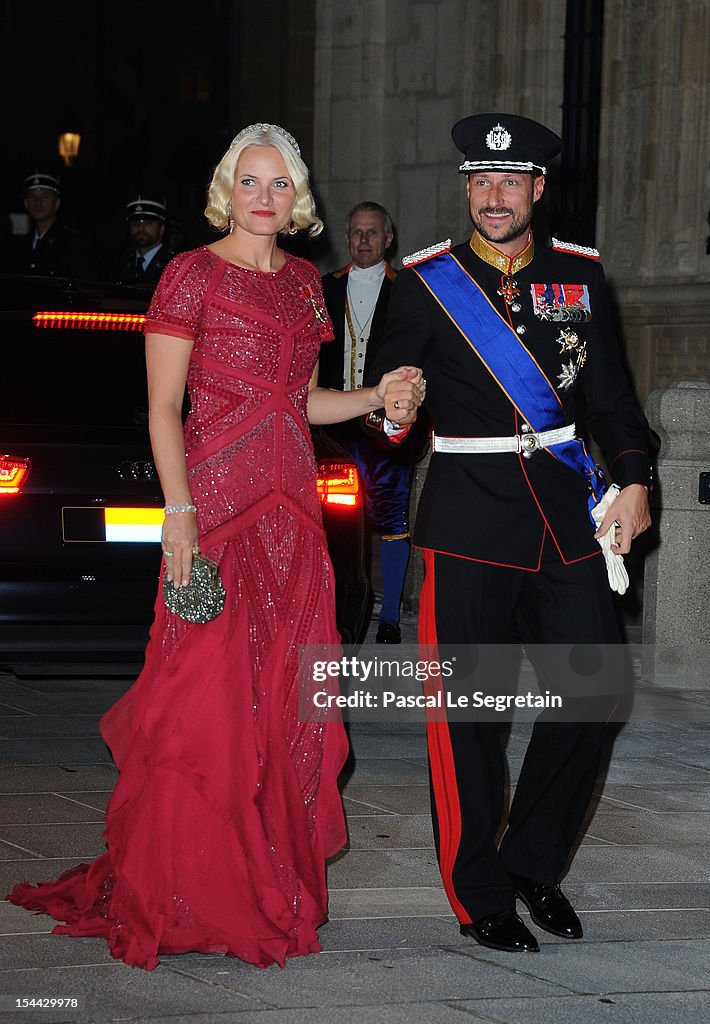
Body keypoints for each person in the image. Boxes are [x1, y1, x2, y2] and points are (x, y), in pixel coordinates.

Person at [6, 123, 423, 971]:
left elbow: (303, 403)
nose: (264, 197)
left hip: (293, 523)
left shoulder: (308, 283)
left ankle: (263, 878)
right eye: (250, 181)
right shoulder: (189, 274)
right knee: (202, 712)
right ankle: (185, 890)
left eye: (279, 184)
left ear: (296, 196)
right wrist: (181, 513)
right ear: (227, 188)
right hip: (219, 515)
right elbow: (165, 407)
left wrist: (376, 393)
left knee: (280, 711)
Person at [364, 113, 652, 953]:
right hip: (467, 524)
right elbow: (383, 413)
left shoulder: (581, 279)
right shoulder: (423, 282)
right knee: (470, 718)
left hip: (567, 519)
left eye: (509, 182)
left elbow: (613, 403)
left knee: (597, 693)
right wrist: (394, 415)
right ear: (468, 190)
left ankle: (532, 862)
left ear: (536, 189)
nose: (493, 197)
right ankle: (478, 890)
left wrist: (634, 479)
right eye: (479, 183)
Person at [320, 202, 425, 643]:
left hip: (385, 425)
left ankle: (389, 617)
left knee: (391, 514)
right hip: (332, 424)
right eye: (356, 232)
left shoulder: (407, 290)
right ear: (348, 238)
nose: (363, 240)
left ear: (388, 239)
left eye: (372, 233)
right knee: (333, 519)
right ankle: (335, 607)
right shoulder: (324, 288)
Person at [17, 170, 95, 278]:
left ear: (57, 203)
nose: (38, 202)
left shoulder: (74, 244)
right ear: (26, 203)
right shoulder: (19, 246)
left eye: (46, 197)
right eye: (32, 197)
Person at [113, 196, 176, 287]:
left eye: (148, 223)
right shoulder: (120, 261)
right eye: (135, 224)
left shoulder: (172, 264)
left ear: (161, 229)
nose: (140, 228)